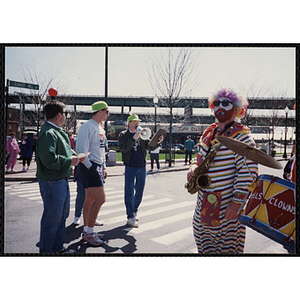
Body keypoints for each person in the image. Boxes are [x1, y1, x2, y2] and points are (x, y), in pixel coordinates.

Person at [187, 88, 258, 254]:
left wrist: (237, 202)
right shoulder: (208, 132)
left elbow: (248, 173)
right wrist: (193, 167)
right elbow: (198, 158)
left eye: (225, 103)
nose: (220, 107)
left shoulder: (242, 137)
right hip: (202, 209)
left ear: (236, 108)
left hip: (227, 212)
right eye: (217, 103)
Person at [36, 100, 83, 253]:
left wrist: (76, 156)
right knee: (52, 219)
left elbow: (65, 153)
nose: (66, 117)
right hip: (52, 182)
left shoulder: (56, 131)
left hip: (60, 180)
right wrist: (70, 161)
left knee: (62, 216)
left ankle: (58, 248)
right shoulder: (48, 133)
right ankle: (47, 251)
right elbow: (49, 159)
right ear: (58, 115)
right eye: (65, 114)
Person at [118, 114, 164, 228]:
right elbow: (123, 149)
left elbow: (150, 146)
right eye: (134, 121)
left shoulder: (142, 134)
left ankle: (134, 211)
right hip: (130, 166)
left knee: (139, 190)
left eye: (137, 121)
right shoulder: (123, 135)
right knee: (129, 191)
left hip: (142, 166)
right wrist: (133, 139)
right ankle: (130, 216)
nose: (137, 123)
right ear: (129, 123)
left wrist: (158, 141)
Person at [75, 101, 109, 246]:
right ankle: (89, 232)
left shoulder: (100, 128)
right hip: (90, 166)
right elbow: (81, 150)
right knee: (100, 199)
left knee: (90, 199)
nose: (108, 115)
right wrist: (90, 167)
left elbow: (101, 150)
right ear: (100, 111)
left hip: (98, 166)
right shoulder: (87, 127)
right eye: (107, 112)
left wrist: (104, 167)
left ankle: (87, 230)